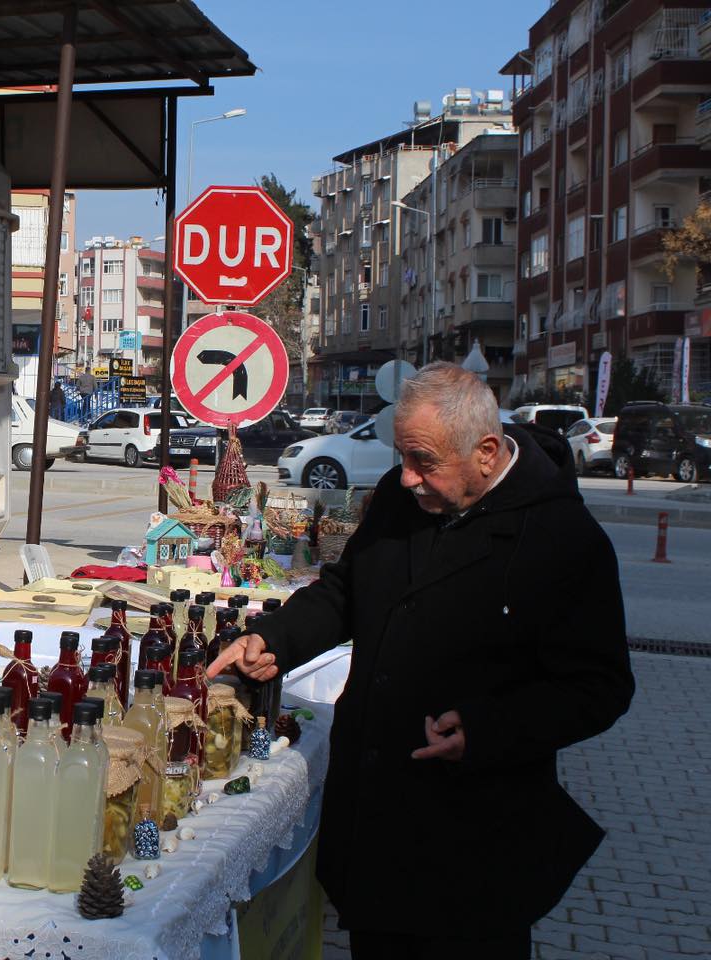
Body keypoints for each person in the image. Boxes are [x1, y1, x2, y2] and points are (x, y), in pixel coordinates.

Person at [211, 363, 634, 960]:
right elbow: (345, 591)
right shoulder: (399, 499)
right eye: (400, 457)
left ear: (486, 452)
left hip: (473, 849)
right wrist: (275, 638)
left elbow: (600, 687)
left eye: (423, 461)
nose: (407, 478)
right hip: (377, 826)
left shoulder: (564, 540)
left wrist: (489, 729)